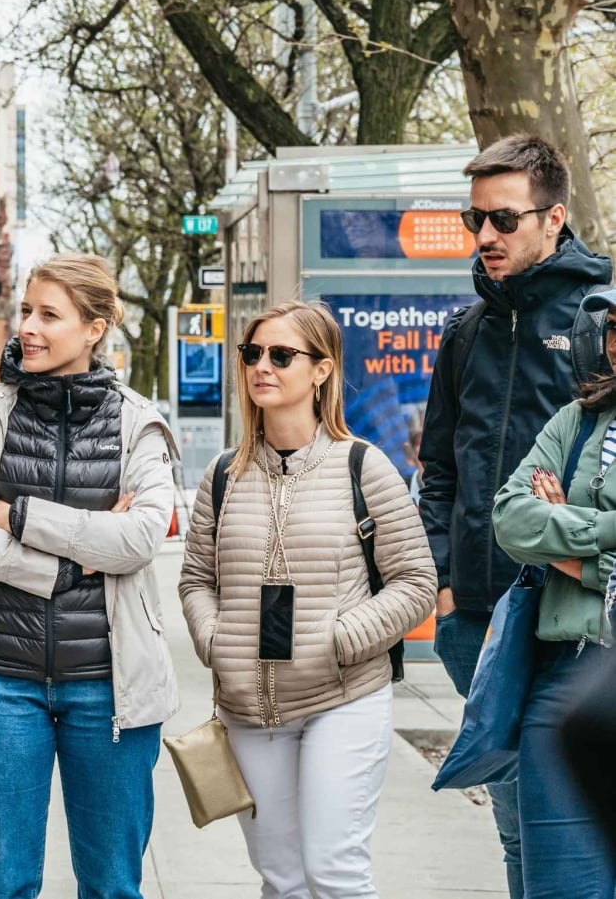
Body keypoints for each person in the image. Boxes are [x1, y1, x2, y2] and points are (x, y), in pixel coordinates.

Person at [0, 255, 182, 899]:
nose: (28, 328)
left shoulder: (137, 422)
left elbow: (144, 535)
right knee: (5, 884)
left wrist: (22, 516)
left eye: (49, 315)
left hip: (110, 687)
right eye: (27, 311)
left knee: (114, 887)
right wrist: (71, 563)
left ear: (94, 329)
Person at [179, 301, 436, 898]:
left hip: (341, 697)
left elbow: (417, 582)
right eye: (252, 354)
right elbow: (196, 579)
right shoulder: (222, 476)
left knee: (333, 870)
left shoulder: (363, 466)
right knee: (282, 878)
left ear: (322, 370)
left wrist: (343, 638)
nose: (262, 366)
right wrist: (216, 643)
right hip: (250, 709)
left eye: (281, 355)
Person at [417, 134, 612, 896]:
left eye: (503, 220)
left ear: (553, 217)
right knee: (511, 817)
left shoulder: (601, 322)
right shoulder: (466, 331)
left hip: (572, 615)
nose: (486, 238)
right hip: (476, 618)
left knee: (569, 821)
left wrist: (577, 555)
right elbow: (438, 467)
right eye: (475, 222)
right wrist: (442, 581)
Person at [488, 285, 616, 898]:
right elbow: (512, 518)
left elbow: (541, 534)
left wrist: (567, 546)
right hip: (566, 676)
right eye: (615, 332)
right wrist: (604, 548)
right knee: (562, 888)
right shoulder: (576, 420)